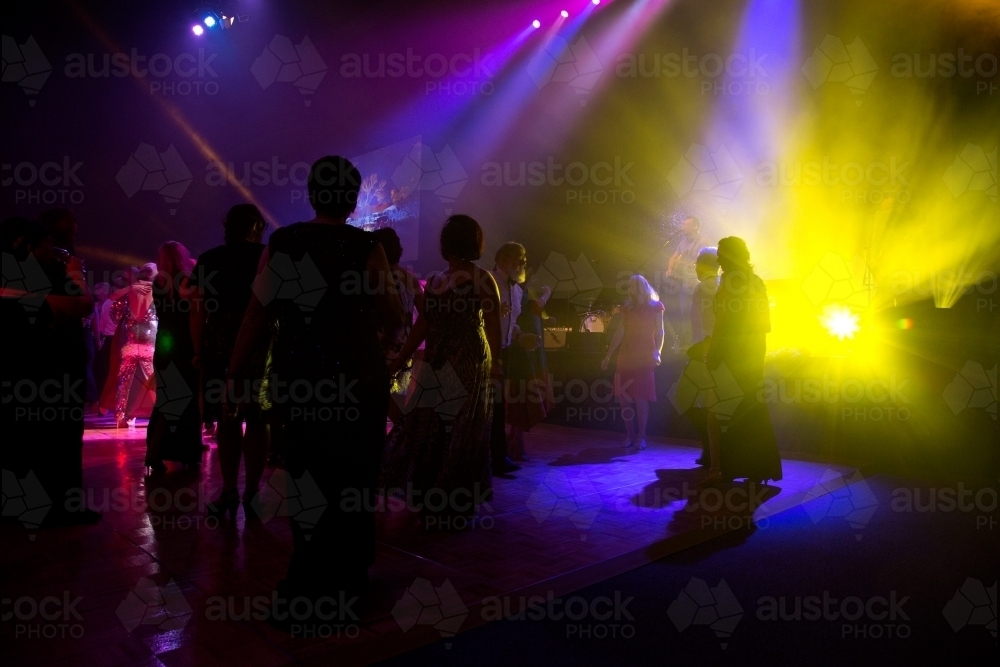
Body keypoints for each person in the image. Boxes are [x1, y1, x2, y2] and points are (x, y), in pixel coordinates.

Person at [229, 156, 403, 613]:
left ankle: (311, 572)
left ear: (311, 193)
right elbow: (393, 313)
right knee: (354, 475)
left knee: (308, 474)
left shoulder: (284, 242)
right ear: (351, 198)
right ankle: (349, 573)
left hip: (304, 376)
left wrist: (233, 373)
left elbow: (256, 314)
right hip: (358, 375)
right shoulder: (368, 247)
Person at [381, 215, 502, 524]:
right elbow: (493, 327)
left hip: (441, 359)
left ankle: (431, 497)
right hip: (469, 360)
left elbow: (423, 325)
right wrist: (498, 365)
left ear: (445, 243)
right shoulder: (482, 278)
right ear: (476, 242)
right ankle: (453, 503)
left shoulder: (435, 280)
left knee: (433, 427)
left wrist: (400, 359)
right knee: (463, 429)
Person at [1, 217, 100, 526]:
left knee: (24, 440)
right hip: (53, 372)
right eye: (46, 244)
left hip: (27, 374)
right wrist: (76, 273)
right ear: (30, 245)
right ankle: (63, 507)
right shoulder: (47, 274)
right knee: (61, 442)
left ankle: (21, 506)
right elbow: (80, 306)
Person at [190, 205, 270, 517]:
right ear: (255, 226)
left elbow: (197, 311)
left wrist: (199, 350)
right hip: (260, 341)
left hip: (219, 343)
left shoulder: (210, 259)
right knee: (259, 418)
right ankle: (252, 493)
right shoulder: (268, 255)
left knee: (227, 418)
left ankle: (228, 491)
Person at [703, 237, 782, 484]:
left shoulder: (730, 282)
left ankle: (722, 470)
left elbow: (723, 320)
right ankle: (758, 467)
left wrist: (714, 351)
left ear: (731, 256)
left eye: (722, 254)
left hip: (732, 352)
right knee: (751, 408)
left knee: (721, 409)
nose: (718, 259)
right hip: (753, 352)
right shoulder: (757, 282)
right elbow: (766, 324)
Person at [145, 242, 201, 473]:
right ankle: (173, 452)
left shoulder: (158, 283)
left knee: (167, 400)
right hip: (184, 344)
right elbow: (194, 313)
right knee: (184, 400)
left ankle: (157, 451)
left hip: (164, 345)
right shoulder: (187, 282)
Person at [488, 242, 540, 474]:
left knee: (498, 406)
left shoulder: (517, 289)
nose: (522, 264)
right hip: (487, 351)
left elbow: (511, 322)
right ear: (503, 260)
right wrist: (491, 313)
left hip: (505, 350)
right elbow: (472, 314)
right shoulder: (488, 282)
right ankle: (491, 459)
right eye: (518, 259)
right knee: (488, 407)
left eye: (524, 259)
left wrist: (520, 336)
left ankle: (498, 458)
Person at [601, 275, 665, 451]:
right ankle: (629, 435)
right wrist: (608, 355)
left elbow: (660, 331)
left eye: (633, 286)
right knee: (624, 398)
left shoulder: (656, 307)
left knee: (640, 398)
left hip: (644, 355)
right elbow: (620, 332)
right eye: (629, 287)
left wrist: (657, 351)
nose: (630, 290)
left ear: (643, 287)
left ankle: (641, 436)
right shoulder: (627, 308)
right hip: (626, 355)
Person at [371, 226, 424, 426]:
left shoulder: (377, 275)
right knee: (398, 397)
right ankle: (400, 445)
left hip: (381, 344)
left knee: (378, 398)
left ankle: (398, 440)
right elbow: (426, 314)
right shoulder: (409, 276)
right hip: (404, 345)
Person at [506, 277, 553, 461]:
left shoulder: (519, 293)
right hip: (523, 351)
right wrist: (548, 292)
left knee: (523, 395)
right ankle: (516, 443)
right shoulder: (517, 293)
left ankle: (515, 441)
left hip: (528, 349)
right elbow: (536, 305)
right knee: (522, 395)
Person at [110, 263, 157, 428]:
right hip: (149, 342)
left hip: (130, 342)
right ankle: (166, 415)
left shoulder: (130, 290)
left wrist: (130, 288)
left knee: (124, 381)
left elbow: (114, 313)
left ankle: (120, 417)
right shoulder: (160, 291)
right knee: (156, 380)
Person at [687, 248, 720, 466]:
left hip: (706, 352)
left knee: (695, 403)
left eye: (698, 263)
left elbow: (701, 324)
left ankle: (711, 450)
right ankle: (712, 450)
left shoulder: (702, 289)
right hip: (716, 351)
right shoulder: (725, 284)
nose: (695, 267)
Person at [664, 216, 704, 348]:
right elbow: (674, 257)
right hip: (684, 284)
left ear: (695, 227)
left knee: (697, 313)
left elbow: (701, 261)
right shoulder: (682, 243)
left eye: (686, 225)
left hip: (697, 283)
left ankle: (699, 342)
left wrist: (685, 263)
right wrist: (670, 268)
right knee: (684, 313)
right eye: (683, 224)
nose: (683, 227)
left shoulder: (702, 241)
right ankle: (687, 342)